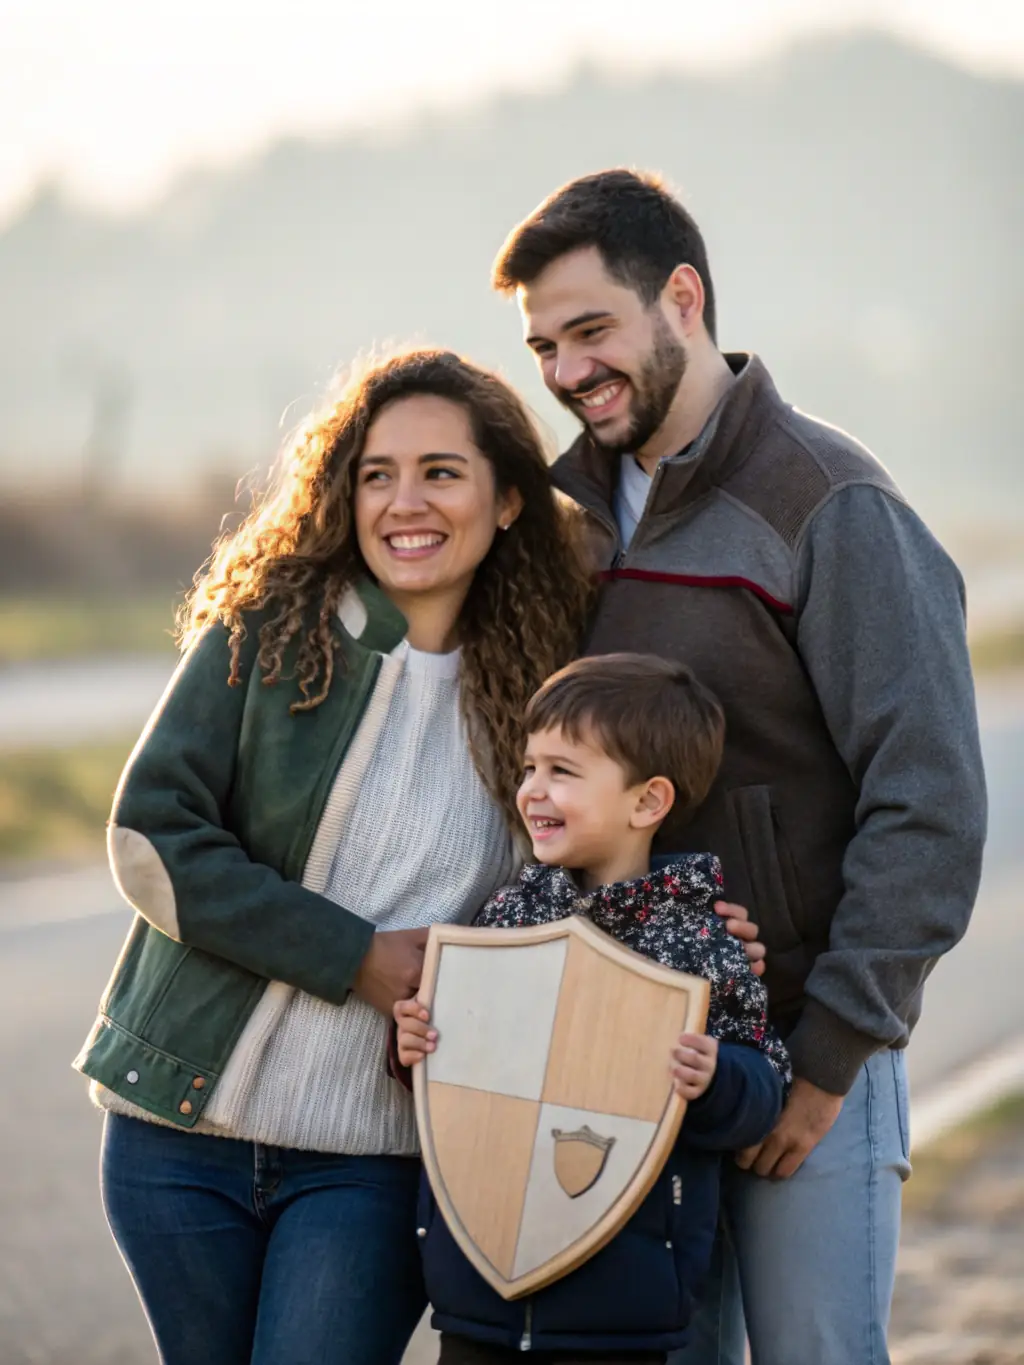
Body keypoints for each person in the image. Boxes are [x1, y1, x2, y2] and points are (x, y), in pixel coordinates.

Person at [490, 170, 988, 1364]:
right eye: (544, 346)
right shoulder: (565, 523)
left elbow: (930, 805)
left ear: (682, 297)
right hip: (612, 1057)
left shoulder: (830, 504)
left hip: (795, 1058)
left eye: (590, 331)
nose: (565, 373)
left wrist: (822, 1063)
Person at [73, 348, 595, 1365]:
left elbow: (579, 877)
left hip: (381, 1154)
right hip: (177, 1131)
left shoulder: (549, 693)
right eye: (376, 472)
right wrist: (354, 957)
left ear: (507, 503)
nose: (406, 501)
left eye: (441, 471)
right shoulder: (266, 634)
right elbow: (150, 839)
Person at [396, 653, 790, 1364]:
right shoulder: (507, 918)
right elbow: (455, 1079)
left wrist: (719, 1075)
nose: (532, 790)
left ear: (648, 802)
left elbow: (764, 1085)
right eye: (529, 767)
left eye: (563, 771)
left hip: (621, 1303)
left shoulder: (699, 941)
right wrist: (413, 1046)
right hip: (478, 1289)